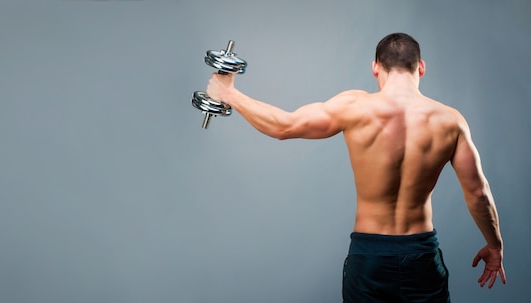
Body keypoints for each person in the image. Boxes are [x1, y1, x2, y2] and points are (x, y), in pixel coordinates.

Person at [205, 33, 505, 302]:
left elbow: (283, 126)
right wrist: (495, 246)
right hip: (421, 254)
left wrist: (229, 93)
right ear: (421, 68)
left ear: (376, 67)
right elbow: (478, 194)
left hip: (369, 256)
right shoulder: (450, 120)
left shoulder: (354, 107)